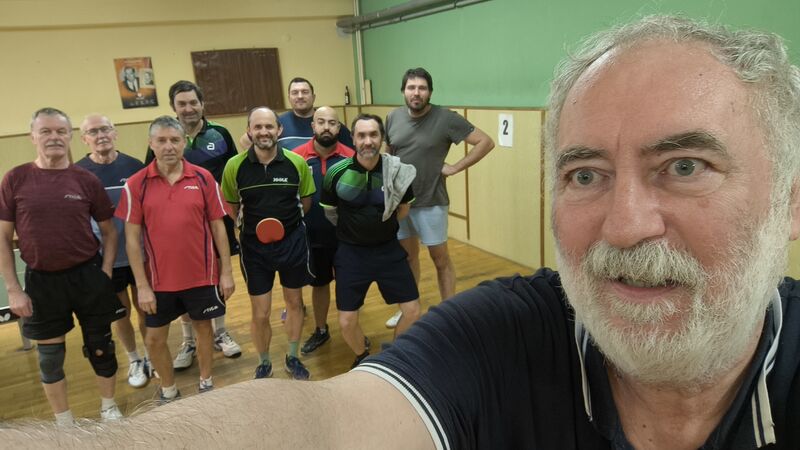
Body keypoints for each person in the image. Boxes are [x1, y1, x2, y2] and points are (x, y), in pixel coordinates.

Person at [6, 15, 800, 450]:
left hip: (407, 225)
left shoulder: (413, 144)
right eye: (585, 174)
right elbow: (322, 427)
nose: (624, 225)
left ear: (791, 202)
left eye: (686, 166)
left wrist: (434, 186)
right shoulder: (494, 343)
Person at [0, 108, 126, 424]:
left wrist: (105, 272)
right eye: (46, 131)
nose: (54, 137)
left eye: (60, 131)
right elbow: (2, 237)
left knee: (101, 348)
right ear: (32, 137)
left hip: (88, 276)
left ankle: (109, 407)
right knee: (50, 358)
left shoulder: (86, 180)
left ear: (70, 136)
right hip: (42, 282)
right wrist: (13, 289)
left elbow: (109, 232)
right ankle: (64, 423)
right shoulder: (15, 179)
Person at [117, 116, 235, 401]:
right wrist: (142, 286)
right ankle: (169, 390)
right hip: (158, 282)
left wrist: (226, 272)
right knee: (154, 339)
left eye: (174, 140)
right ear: (151, 144)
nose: (168, 146)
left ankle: (206, 382)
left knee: (204, 329)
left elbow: (219, 227)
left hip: (202, 275)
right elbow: (132, 240)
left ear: (184, 143)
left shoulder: (203, 178)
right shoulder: (136, 184)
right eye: (162, 140)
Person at [383, 67, 495, 328]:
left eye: (422, 88)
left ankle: (449, 314)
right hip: (400, 203)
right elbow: (388, 152)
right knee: (407, 258)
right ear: (403, 91)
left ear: (430, 92)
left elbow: (485, 142)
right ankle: (409, 309)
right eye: (411, 87)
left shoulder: (446, 118)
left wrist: (455, 167)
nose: (416, 92)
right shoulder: (392, 117)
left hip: (431, 201)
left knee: (440, 259)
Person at [145, 80, 242, 369]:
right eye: (182, 104)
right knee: (185, 280)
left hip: (216, 220)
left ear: (202, 104)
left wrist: (236, 211)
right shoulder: (165, 137)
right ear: (173, 107)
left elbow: (233, 173)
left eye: (193, 102)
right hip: (179, 226)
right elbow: (151, 177)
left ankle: (220, 332)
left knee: (218, 275)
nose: (188, 108)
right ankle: (188, 341)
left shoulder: (220, 133)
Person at [222, 107, 315, 380]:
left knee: (294, 302)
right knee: (260, 312)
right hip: (254, 249)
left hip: (292, 244)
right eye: (258, 127)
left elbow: (306, 202)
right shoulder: (234, 166)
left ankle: (293, 357)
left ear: (279, 130)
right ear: (249, 131)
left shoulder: (296, 163)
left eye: (269, 126)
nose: (264, 132)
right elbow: (231, 205)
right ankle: (264, 362)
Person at [321, 114, 421, 368]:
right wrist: (356, 230)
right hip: (351, 255)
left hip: (389, 251)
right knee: (346, 321)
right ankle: (363, 357)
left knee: (413, 311)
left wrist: (379, 228)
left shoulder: (398, 172)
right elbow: (331, 211)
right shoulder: (336, 173)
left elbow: (403, 210)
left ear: (382, 138)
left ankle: (393, 357)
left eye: (373, 135)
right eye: (362, 135)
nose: (368, 141)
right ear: (353, 139)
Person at [75, 114, 149, 388]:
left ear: (115, 133)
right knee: (121, 313)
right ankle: (134, 359)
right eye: (93, 131)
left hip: (139, 255)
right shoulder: (78, 173)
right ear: (84, 139)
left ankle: (151, 354)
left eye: (105, 129)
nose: (101, 135)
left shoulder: (135, 167)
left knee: (146, 308)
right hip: (107, 259)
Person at [291, 106, 355, 354]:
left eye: (332, 123)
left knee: (348, 284)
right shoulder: (296, 157)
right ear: (313, 126)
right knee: (319, 285)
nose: (326, 127)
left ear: (339, 128)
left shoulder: (351, 158)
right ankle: (321, 329)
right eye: (321, 122)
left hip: (345, 236)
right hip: (312, 236)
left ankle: (353, 330)